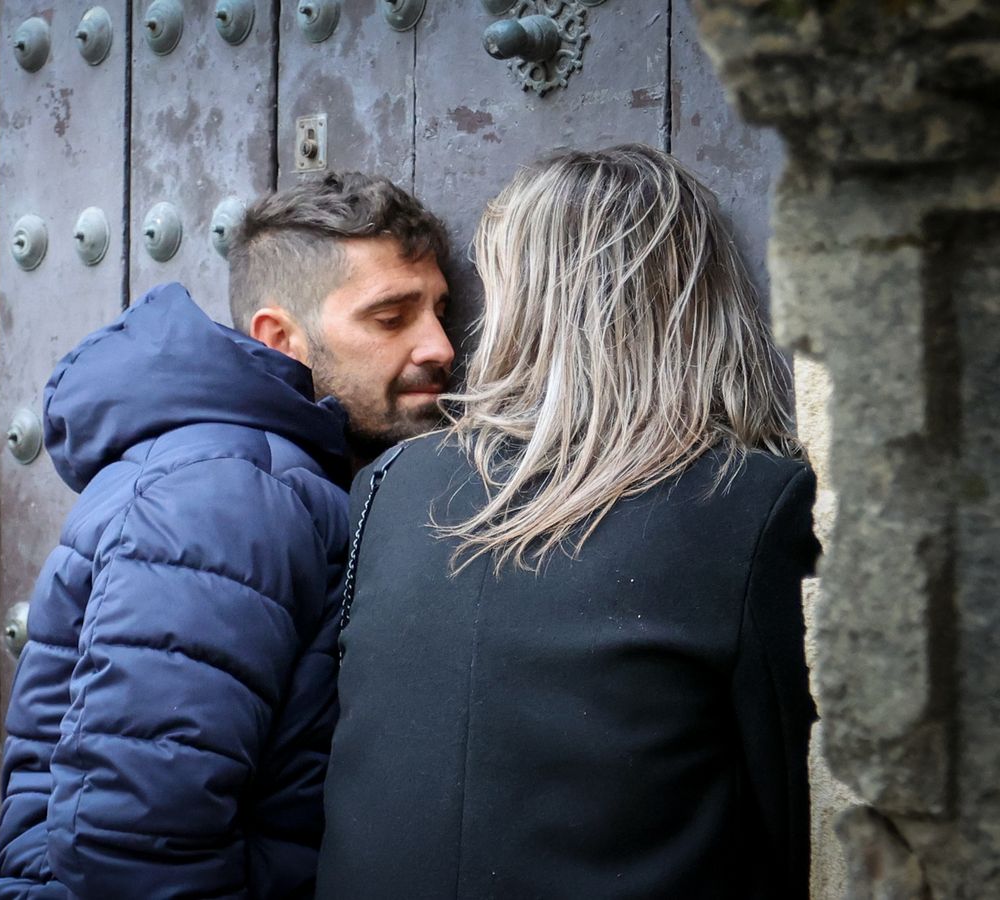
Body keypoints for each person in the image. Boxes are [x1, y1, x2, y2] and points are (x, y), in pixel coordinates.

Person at [318, 145, 817, 898]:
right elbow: (791, 822)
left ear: (519, 300)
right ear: (697, 297)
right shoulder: (750, 504)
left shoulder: (393, 483)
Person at [0, 172, 453, 899]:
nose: (440, 347)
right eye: (392, 318)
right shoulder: (232, 487)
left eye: (439, 311)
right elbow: (134, 843)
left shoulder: (261, 473)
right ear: (280, 337)